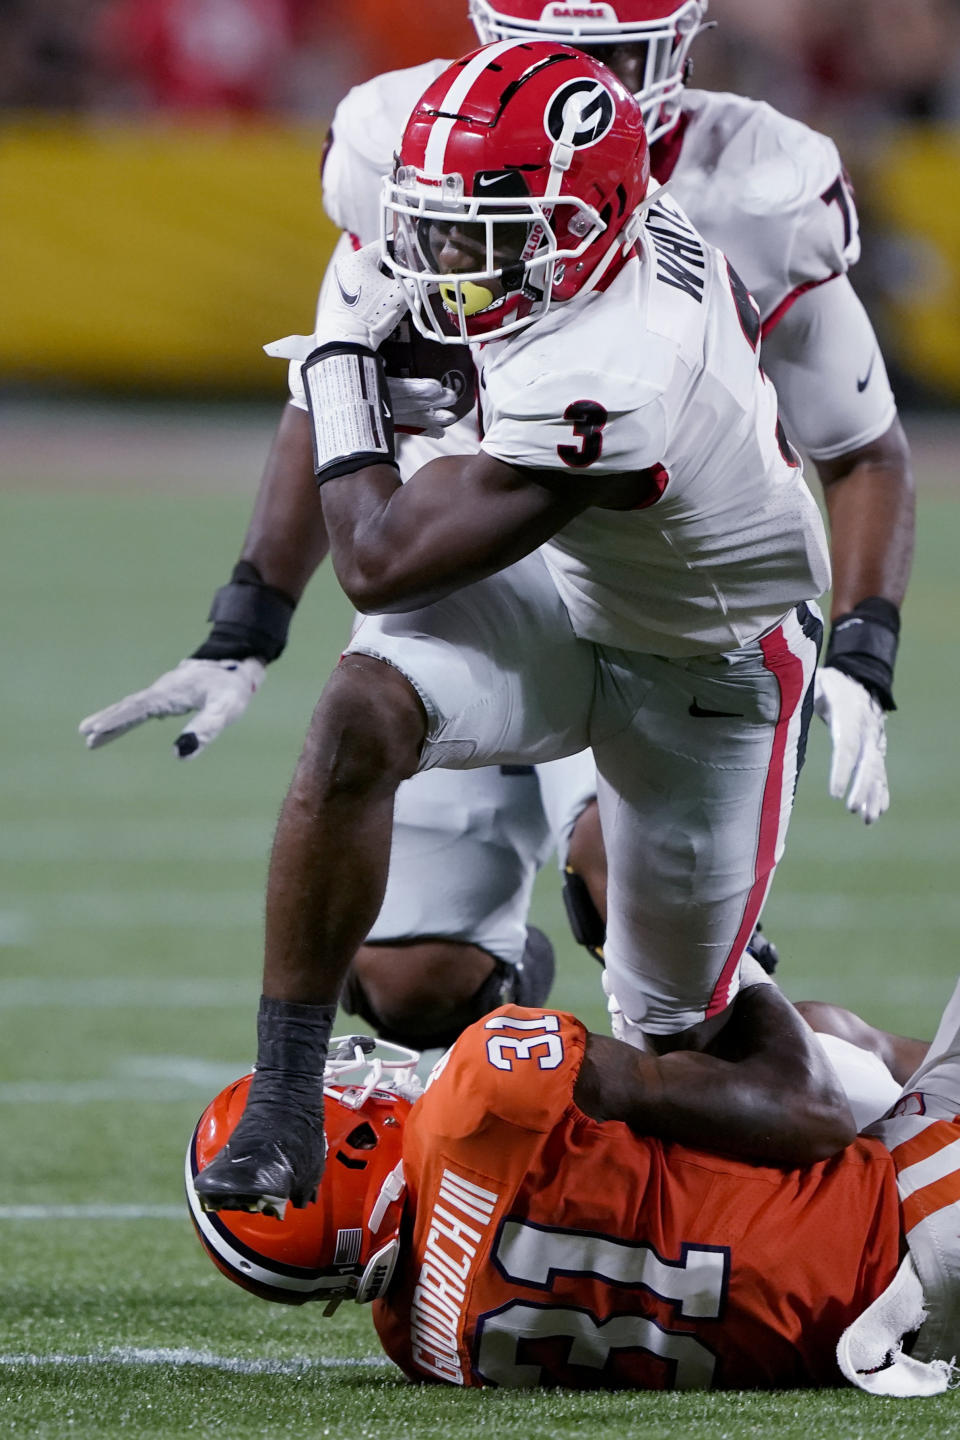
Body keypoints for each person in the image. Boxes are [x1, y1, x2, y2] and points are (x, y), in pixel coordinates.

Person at [80, 0, 914, 1052]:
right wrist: (246, 621)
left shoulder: (754, 185)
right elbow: (336, 380)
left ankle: (843, 1086)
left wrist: (863, 647)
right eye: (548, 47)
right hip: (474, 559)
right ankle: (515, 1062)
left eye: (611, 51)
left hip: (664, 589)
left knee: (644, 932)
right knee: (408, 983)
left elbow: (861, 442)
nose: (579, 76)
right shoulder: (412, 140)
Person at [183, 38, 838, 1217]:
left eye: (480, 231)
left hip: (707, 650)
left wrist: (342, 375)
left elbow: (380, 562)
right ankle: (284, 1099)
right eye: (430, 223)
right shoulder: (546, 242)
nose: (443, 256)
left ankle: (854, 1086)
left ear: (586, 225)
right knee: (359, 713)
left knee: (688, 1043)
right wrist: (249, 614)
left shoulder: (621, 362)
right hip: (564, 581)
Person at [185, 969, 955, 1395]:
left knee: (818, 1031)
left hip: (891, 1345)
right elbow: (810, 1113)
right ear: (345, 1146)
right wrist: (732, 960)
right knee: (803, 1043)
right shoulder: (482, 1089)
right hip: (921, 1217)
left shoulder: (421, 1350)